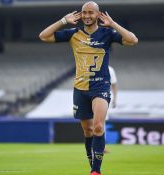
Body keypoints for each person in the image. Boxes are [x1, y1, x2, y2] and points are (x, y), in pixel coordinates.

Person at [39, 1, 138, 175]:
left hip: (100, 87)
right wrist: (63, 20)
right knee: (88, 130)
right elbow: (44, 36)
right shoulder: (73, 34)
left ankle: (95, 171)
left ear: (98, 15)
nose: (86, 16)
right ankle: (92, 163)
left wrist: (113, 23)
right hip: (80, 89)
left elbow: (133, 40)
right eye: (84, 12)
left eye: (91, 13)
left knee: (99, 126)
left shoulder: (107, 34)